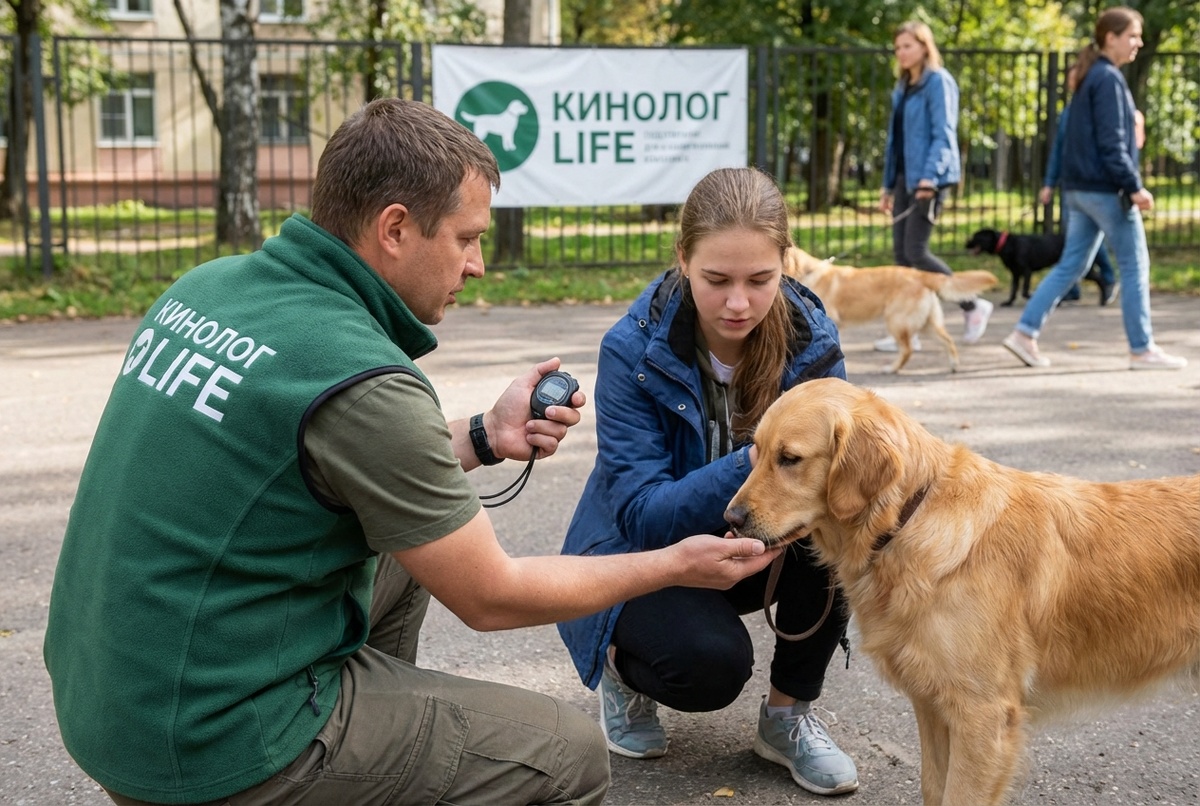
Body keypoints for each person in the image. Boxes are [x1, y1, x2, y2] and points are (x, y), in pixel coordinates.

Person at [42, 98, 782, 806]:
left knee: (411, 547)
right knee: (567, 753)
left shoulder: (209, 286)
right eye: (466, 238)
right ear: (395, 229)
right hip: (218, 747)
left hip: (111, 702)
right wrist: (675, 565)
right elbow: (490, 596)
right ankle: (339, 760)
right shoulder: (363, 377)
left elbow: (318, 460)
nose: (477, 264)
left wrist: (486, 438)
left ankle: (384, 762)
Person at [558, 167, 859, 796]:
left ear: (787, 261)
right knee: (709, 669)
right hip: (642, 555)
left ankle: (787, 717)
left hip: (753, 544)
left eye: (761, 280)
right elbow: (642, 515)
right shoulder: (630, 351)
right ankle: (618, 664)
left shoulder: (811, 340)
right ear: (682, 260)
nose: (739, 304)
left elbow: (842, 474)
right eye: (716, 280)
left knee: (842, 526)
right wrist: (761, 456)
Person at [1003, 7, 1187, 370]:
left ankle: (1024, 333)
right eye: (1133, 36)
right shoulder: (1107, 79)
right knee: (1135, 265)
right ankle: (1142, 349)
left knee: (1072, 263)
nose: (1139, 43)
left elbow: (1089, 140)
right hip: (1105, 191)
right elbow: (1111, 142)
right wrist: (1133, 186)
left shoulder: (1092, 78)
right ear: (1111, 38)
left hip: (1079, 191)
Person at [878, 20, 992, 353]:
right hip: (903, 177)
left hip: (928, 177)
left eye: (908, 46)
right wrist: (888, 186)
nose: (901, 53)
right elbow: (895, 143)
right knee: (902, 257)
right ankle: (908, 329)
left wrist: (929, 177)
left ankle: (973, 305)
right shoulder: (903, 88)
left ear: (925, 47)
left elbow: (943, 134)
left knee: (916, 251)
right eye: (898, 47)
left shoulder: (938, 82)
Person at [1039, 59, 1119, 306]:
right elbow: (1059, 150)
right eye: (1069, 78)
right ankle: (1074, 287)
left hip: (1095, 185)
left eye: (1075, 77)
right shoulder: (1068, 112)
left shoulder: (1099, 109)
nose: (1070, 82)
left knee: (1084, 240)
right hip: (1071, 185)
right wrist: (1049, 183)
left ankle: (1105, 277)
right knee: (1075, 240)